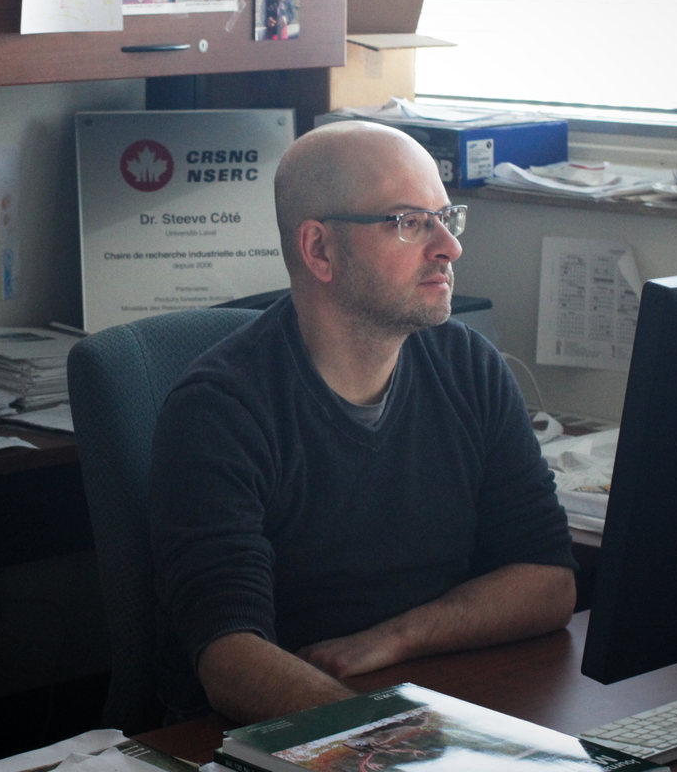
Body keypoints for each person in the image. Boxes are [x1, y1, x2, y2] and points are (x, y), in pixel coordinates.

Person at [149, 121, 576, 725]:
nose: (448, 248)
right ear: (319, 249)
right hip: (266, 733)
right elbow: (229, 658)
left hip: (422, 690)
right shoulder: (218, 411)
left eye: (445, 217)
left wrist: (393, 640)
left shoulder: (469, 367)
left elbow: (547, 579)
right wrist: (390, 744)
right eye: (408, 222)